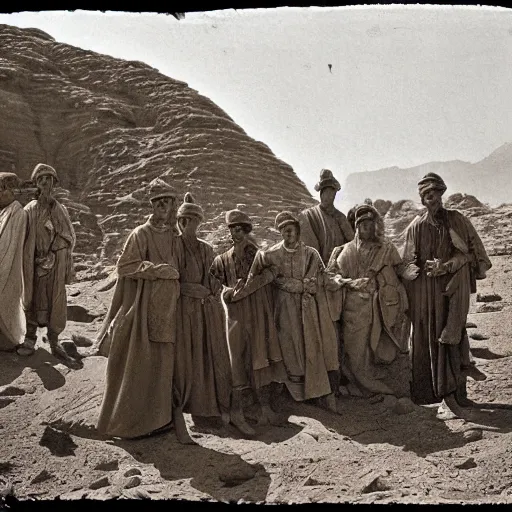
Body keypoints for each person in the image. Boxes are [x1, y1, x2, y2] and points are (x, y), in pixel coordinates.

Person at [95, 178, 191, 442]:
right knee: (142, 364)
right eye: (158, 201)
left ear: (173, 205)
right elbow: (124, 266)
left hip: (170, 309)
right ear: (152, 205)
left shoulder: (175, 236)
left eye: (168, 202)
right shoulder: (140, 234)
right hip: (143, 310)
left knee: (164, 366)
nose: (163, 206)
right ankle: (133, 425)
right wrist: (155, 270)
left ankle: (161, 421)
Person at [402, 172, 491, 420]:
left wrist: (447, 266)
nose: (432, 199)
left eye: (435, 194)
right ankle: (429, 395)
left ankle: (454, 393)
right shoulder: (415, 228)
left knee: (451, 337)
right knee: (426, 338)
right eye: (427, 195)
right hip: (424, 294)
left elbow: (471, 254)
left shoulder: (457, 220)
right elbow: (407, 262)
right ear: (423, 200)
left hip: (450, 291)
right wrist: (414, 270)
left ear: (441, 194)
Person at [234, 211, 339, 410]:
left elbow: (323, 275)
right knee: (289, 347)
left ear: (298, 231)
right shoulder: (271, 254)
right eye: (283, 231)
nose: (287, 234)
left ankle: (315, 393)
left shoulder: (311, 254)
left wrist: (334, 282)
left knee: (310, 347)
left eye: (290, 230)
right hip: (283, 308)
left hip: (308, 309)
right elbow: (255, 272)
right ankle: (292, 395)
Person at [210, 209, 285, 437]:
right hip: (235, 315)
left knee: (260, 354)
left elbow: (274, 273)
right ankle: (238, 411)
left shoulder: (260, 256)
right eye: (233, 229)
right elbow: (214, 286)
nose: (237, 233)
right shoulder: (222, 260)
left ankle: (264, 408)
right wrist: (229, 294)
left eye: (241, 228)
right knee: (238, 358)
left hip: (259, 312)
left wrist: (255, 284)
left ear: (247, 230)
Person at [328, 203, 415, 397]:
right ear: (357, 227)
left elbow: (399, 267)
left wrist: (408, 272)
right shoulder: (346, 251)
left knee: (376, 348)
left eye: (371, 224)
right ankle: (362, 384)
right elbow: (332, 277)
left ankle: (372, 384)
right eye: (363, 225)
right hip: (353, 309)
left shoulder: (386, 247)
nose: (368, 228)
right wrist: (349, 283)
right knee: (355, 351)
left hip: (379, 308)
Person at [173, 192, 232, 428]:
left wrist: (209, 292)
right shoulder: (173, 246)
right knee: (187, 360)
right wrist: (192, 290)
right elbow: (173, 279)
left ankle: (207, 408)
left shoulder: (206, 249)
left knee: (207, 357)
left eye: (196, 222)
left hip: (205, 310)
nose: (191, 226)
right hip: (183, 311)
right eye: (187, 221)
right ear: (181, 222)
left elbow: (216, 277)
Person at [17, 164, 76, 362]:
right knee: (31, 296)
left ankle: (54, 340)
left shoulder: (60, 210)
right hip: (33, 263)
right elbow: (22, 237)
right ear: (36, 183)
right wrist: (36, 257)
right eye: (41, 179)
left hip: (55, 264)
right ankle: (30, 337)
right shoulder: (29, 210)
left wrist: (53, 252)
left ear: (54, 182)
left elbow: (68, 237)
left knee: (56, 300)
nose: (45, 182)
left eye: (48, 178)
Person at [298, 168, 354, 266]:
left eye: (331, 192)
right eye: (325, 192)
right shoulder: (308, 215)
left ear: (335, 194)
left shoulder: (340, 217)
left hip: (340, 267)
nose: (328, 196)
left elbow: (352, 243)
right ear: (321, 193)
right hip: (317, 269)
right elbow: (309, 248)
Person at [0, 173, 28, 352]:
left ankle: (8, 340)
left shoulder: (18, 212)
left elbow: (12, 244)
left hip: (9, 265)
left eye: (3, 190)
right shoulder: (3, 212)